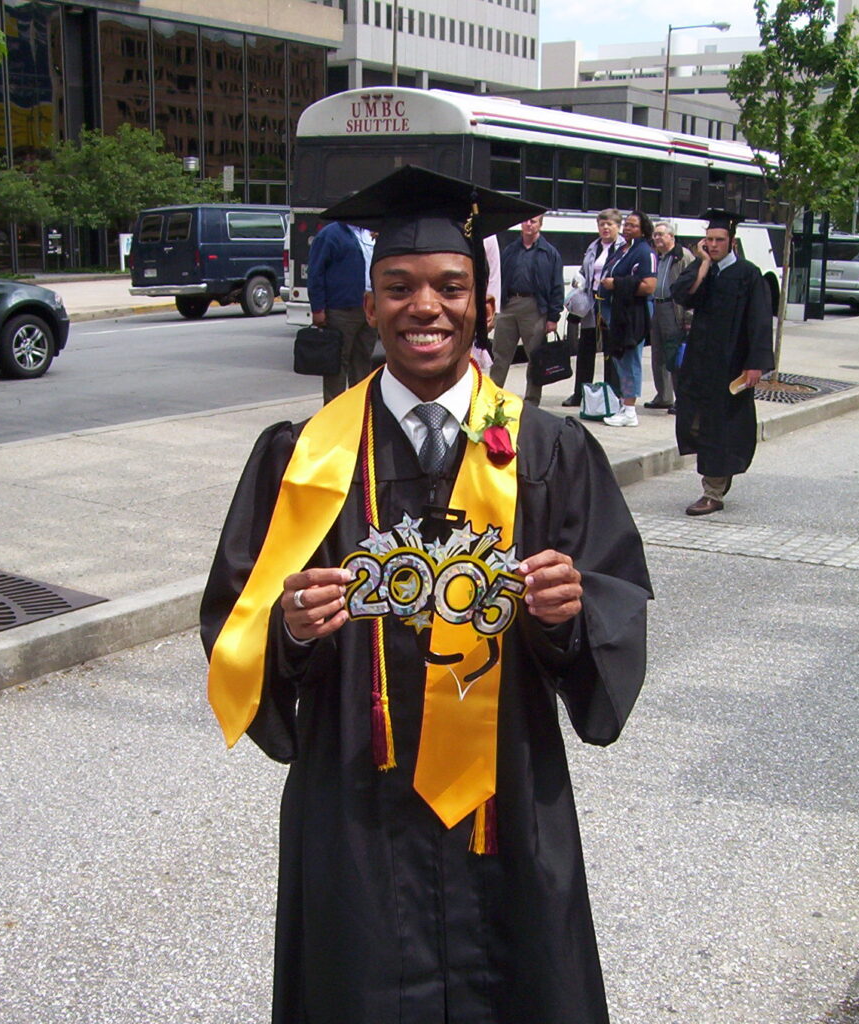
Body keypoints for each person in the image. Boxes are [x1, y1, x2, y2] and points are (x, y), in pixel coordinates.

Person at [201, 165, 652, 1024]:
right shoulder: (303, 457)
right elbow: (234, 624)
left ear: (483, 304)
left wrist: (567, 615)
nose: (425, 307)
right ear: (368, 306)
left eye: (450, 286)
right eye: (399, 287)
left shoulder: (548, 453)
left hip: (503, 798)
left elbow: (611, 612)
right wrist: (290, 629)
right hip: (354, 799)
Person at [671, 209, 774, 516]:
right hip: (700, 363)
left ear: (732, 241)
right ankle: (716, 481)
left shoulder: (748, 274)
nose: (713, 245)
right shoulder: (707, 272)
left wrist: (755, 364)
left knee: (720, 427)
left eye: (719, 240)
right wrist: (702, 263)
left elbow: (759, 322)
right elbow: (682, 295)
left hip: (731, 365)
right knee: (697, 423)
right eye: (709, 240)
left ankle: (712, 492)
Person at [489, 213, 564, 406]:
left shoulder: (550, 253)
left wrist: (553, 317)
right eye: (525, 221)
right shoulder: (510, 250)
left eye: (533, 221)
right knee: (499, 356)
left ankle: (531, 401)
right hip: (508, 305)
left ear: (540, 225)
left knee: (535, 358)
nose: (528, 224)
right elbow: (498, 277)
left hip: (535, 308)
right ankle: (492, 397)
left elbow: (557, 286)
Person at [307, 219, 378, 403]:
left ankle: (359, 410)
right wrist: (318, 308)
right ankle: (333, 412)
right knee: (337, 365)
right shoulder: (331, 234)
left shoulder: (371, 234)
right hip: (341, 310)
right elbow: (315, 272)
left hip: (369, 308)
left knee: (362, 361)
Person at [599, 210, 657, 428]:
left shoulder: (645, 252)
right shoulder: (623, 249)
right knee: (619, 358)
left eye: (633, 225)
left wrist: (617, 284)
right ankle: (624, 404)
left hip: (633, 313)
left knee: (631, 357)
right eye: (627, 224)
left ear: (643, 229)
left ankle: (631, 410)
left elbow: (649, 285)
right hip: (615, 310)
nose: (628, 228)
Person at [563, 209, 624, 407]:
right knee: (585, 349)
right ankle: (580, 393)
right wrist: (579, 279)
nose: (605, 228)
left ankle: (611, 395)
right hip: (591, 304)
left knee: (610, 351)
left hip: (611, 305)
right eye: (602, 224)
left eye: (610, 224)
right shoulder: (593, 247)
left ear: (618, 226)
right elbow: (584, 270)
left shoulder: (624, 248)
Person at [646, 221, 694, 414]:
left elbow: (692, 288)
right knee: (658, 355)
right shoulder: (656, 256)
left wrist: (688, 317)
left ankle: (681, 399)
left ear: (671, 237)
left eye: (661, 235)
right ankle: (663, 396)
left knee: (675, 357)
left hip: (674, 310)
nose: (657, 238)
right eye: (655, 235)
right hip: (656, 307)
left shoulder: (683, 257)